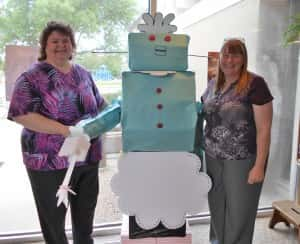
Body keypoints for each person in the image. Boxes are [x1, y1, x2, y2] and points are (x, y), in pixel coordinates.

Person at [7, 21, 106, 244]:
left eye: (65, 41)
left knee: (85, 218)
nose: (61, 45)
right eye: (55, 41)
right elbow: (21, 114)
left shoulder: (83, 73)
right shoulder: (31, 78)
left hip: (86, 157)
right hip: (48, 161)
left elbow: (100, 105)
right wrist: (65, 130)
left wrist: (120, 113)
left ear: (72, 45)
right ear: (44, 46)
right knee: (54, 222)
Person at [201, 38, 273, 244]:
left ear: (243, 58)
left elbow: (264, 129)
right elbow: (204, 112)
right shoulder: (214, 83)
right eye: (225, 54)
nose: (229, 59)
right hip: (213, 157)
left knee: (239, 212)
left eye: (235, 54)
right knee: (216, 207)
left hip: (242, 160)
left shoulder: (255, 84)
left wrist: (259, 166)